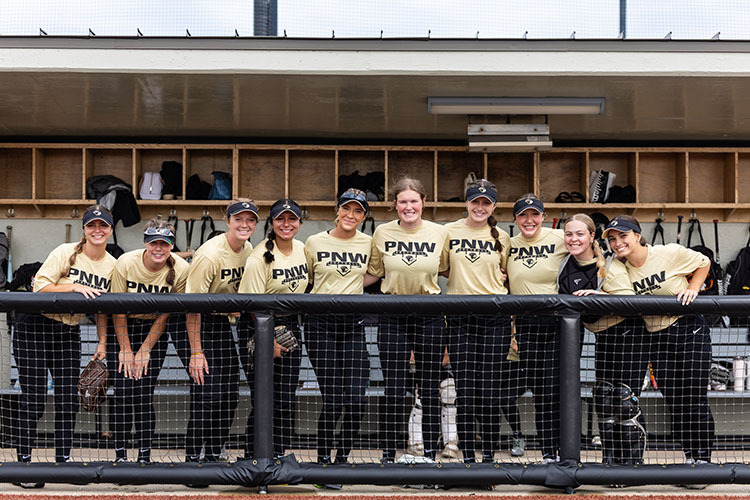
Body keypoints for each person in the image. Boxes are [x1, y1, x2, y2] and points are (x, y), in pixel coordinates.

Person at [13, 205, 115, 486]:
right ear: (84, 229)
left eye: (102, 225)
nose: (97, 230)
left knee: (69, 399)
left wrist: (103, 342)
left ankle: (63, 461)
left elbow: (105, 307)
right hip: (35, 325)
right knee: (34, 399)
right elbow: (39, 287)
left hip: (68, 330)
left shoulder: (112, 264)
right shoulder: (65, 252)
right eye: (92, 225)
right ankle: (23, 465)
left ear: (110, 229)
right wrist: (72, 287)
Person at [603, 214, 715, 466]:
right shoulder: (620, 268)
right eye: (612, 239)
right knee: (675, 400)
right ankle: (689, 459)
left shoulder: (667, 252)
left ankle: (703, 461)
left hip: (688, 330)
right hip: (656, 337)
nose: (618, 242)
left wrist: (694, 287)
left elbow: (704, 262)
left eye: (623, 236)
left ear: (637, 236)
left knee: (694, 398)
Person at [367, 177, 448, 463]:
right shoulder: (382, 232)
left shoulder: (440, 233)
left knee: (429, 388)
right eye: (403, 201)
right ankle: (388, 456)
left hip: (429, 313)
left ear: (424, 202)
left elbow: (452, 268)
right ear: (395, 205)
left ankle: (428, 456)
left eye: (414, 201)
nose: (409, 206)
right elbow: (373, 274)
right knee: (394, 389)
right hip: (393, 312)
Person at [558, 214, 647, 465]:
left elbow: (630, 302)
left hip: (627, 333)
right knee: (604, 397)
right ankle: (610, 461)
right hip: (602, 336)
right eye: (569, 234)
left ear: (592, 236)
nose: (574, 239)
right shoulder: (564, 263)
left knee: (625, 399)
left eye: (580, 234)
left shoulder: (611, 262)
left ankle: (631, 464)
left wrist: (597, 296)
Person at [109, 219, 189, 463]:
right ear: (145, 243)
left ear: (171, 246)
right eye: (154, 242)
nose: (158, 248)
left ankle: (144, 457)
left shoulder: (181, 268)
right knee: (123, 393)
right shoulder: (126, 262)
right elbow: (117, 310)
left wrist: (144, 350)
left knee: (143, 393)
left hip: (153, 331)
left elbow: (165, 315)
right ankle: (120, 457)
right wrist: (125, 349)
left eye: (164, 244)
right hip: (124, 328)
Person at [184, 199, 258, 463]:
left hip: (223, 324)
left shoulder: (248, 248)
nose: (244, 224)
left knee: (229, 396)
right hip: (197, 325)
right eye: (238, 219)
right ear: (227, 222)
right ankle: (193, 459)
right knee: (208, 395)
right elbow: (192, 307)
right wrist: (196, 352)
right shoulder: (209, 255)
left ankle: (215, 452)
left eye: (250, 220)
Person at [304, 189, 375, 465]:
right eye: (347, 208)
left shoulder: (368, 242)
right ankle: (323, 461)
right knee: (333, 400)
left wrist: (353, 287)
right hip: (320, 322)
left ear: (364, 216)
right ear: (337, 210)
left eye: (358, 211)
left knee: (356, 401)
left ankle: (341, 460)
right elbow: (306, 279)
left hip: (352, 323)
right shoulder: (314, 241)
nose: (351, 215)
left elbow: (375, 273)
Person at [442, 179, 511, 463]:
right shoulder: (448, 231)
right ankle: (468, 459)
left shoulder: (503, 236)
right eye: (475, 201)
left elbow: (507, 273)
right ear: (466, 203)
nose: (480, 207)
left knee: (490, 392)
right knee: (466, 391)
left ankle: (489, 460)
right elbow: (444, 268)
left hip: (495, 317)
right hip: (460, 315)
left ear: (493, 206)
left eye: (486, 203)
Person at [239, 198, 309, 459]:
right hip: (257, 326)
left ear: (300, 223)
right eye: (280, 218)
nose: (286, 224)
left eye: (292, 218)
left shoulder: (302, 249)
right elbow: (251, 305)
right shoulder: (259, 257)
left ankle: (278, 454)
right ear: (272, 222)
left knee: (285, 398)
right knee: (264, 399)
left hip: (290, 323)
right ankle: (253, 456)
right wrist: (267, 341)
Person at [506, 194, 568, 463]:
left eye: (534, 214)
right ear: (516, 219)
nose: (529, 220)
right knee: (539, 391)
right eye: (523, 215)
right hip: (526, 324)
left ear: (543, 216)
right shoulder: (507, 244)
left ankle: (566, 451)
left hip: (559, 322)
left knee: (560, 390)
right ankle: (547, 453)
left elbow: (593, 255)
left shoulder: (560, 237)